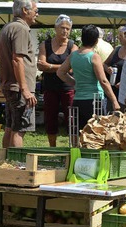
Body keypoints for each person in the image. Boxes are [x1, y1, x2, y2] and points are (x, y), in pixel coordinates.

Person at [57, 25, 120, 133]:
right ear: (96, 41)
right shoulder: (94, 56)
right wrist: (114, 100)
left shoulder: (73, 55)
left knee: (81, 133)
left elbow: (60, 72)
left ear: (82, 38)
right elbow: (103, 81)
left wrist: (75, 83)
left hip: (78, 100)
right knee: (96, 134)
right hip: (94, 101)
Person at [0, 0, 38, 148]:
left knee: (10, 127)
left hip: (11, 86)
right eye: (35, 10)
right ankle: (15, 166)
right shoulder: (20, 29)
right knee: (19, 129)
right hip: (19, 88)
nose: (37, 14)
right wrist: (25, 89)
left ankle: (5, 164)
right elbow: (17, 60)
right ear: (25, 10)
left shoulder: (7, 27)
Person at [37, 14, 78, 147]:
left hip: (67, 88)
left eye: (68, 28)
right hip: (50, 88)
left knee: (71, 119)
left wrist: (49, 66)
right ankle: (52, 147)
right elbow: (40, 65)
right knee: (50, 118)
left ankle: (72, 147)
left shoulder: (73, 46)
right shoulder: (45, 44)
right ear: (55, 28)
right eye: (62, 28)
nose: (65, 31)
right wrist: (63, 68)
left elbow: (72, 68)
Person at [103, 27, 126, 113]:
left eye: (120, 36)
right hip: (113, 89)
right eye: (118, 35)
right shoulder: (117, 49)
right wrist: (108, 69)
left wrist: (124, 82)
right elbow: (104, 64)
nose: (119, 38)